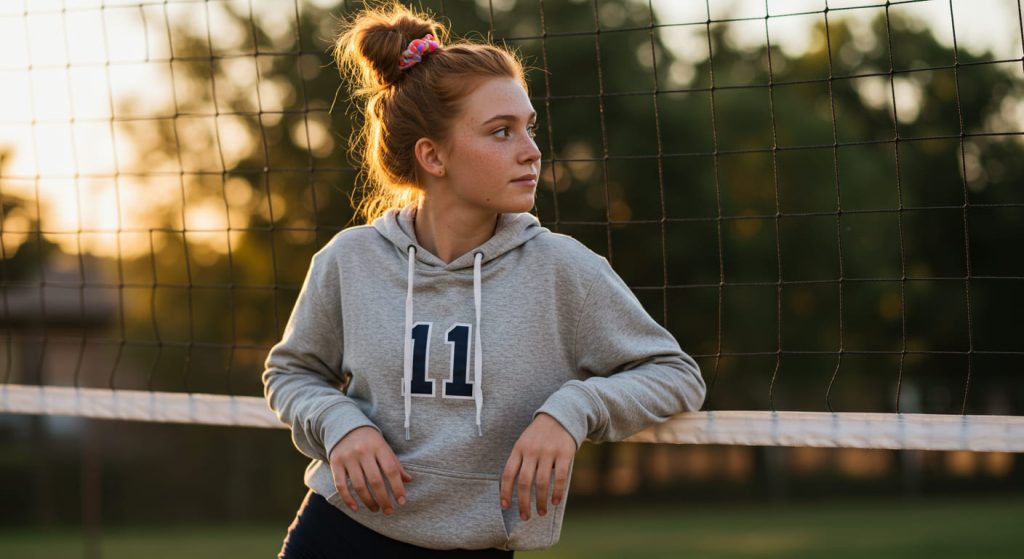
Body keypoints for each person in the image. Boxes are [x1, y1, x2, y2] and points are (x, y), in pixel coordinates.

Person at [262, 2, 706, 557]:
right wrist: (339, 424)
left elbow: (676, 375)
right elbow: (291, 373)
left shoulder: (562, 268)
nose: (532, 151)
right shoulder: (350, 260)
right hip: (340, 532)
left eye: (529, 128)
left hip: (480, 545)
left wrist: (570, 412)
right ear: (433, 156)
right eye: (501, 132)